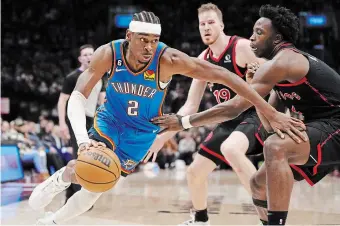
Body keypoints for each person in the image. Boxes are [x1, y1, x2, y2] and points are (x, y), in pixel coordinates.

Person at [28, 10, 303, 225]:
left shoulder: (169, 59)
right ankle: (61, 179)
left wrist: (267, 108)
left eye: (154, 41)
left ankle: (51, 222)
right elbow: (76, 97)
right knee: (82, 168)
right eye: (143, 40)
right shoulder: (108, 53)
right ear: (129, 36)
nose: (149, 47)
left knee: (97, 187)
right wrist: (82, 141)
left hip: (140, 135)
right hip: (109, 122)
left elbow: (226, 76)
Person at [152, 5, 340, 225]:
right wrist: (252, 87)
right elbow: (270, 125)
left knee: (273, 147)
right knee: (258, 184)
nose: (251, 39)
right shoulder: (272, 72)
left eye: (259, 33)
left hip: (334, 124)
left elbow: (235, 107)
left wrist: (183, 123)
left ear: (278, 38)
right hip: (314, 126)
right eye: (252, 32)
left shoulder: (284, 61)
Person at [144, 3, 267, 225]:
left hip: (255, 114)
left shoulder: (241, 47)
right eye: (202, 24)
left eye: (211, 22)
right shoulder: (202, 59)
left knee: (231, 150)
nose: (206, 27)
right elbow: (190, 107)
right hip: (229, 120)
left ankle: (270, 217)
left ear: (221, 25)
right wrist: (160, 138)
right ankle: (201, 220)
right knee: (194, 172)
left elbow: (271, 76)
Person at [57, 44, 107, 202]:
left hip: (93, 120)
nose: (88, 57)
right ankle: (77, 196)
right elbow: (62, 101)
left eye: (91, 54)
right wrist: (62, 123)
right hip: (76, 120)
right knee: (79, 156)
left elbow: (103, 101)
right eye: (85, 55)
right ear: (80, 58)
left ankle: (72, 195)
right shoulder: (72, 77)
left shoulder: (100, 76)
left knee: (89, 155)